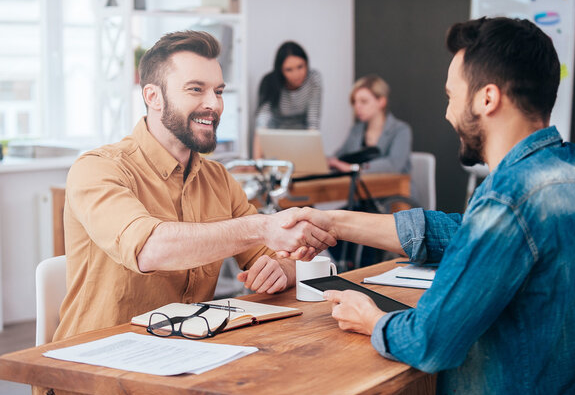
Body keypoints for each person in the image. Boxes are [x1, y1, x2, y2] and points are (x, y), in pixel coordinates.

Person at [279, 17, 575, 395]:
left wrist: (371, 318)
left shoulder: (509, 199)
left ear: (487, 98)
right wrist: (333, 222)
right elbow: (461, 233)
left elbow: (429, 342)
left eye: (451, 96)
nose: (448, 113)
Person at [53, 31, 334, 342]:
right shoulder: (97, 168)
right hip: (92, 366)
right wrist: (259, 226)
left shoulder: (219, 180)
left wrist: (281, 269)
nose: (213, 104)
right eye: (195, 89)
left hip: (187, 354)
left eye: (218, 91)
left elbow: (285, 256)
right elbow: (149, 249)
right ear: (152, 97)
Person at [328, 75, 412, 174]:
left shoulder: (400, 130)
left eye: (364, 101)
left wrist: (354, 168)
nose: (357, 107)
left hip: (395, 187)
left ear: (381, 102)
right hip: (361, 187)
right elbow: (338, 157)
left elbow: (394, 165)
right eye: (355, 102)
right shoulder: (356, 130)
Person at [253, 41, 322, 158]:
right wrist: (257, 161)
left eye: (300, 67)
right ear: (281, 70)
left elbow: (313, 123)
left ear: (307, 64)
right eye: (289, 70)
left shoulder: (314, 80)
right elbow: (262, 123)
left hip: (302, 141)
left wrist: (311, 156)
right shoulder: (269, 82)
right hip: (275, 141)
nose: (296, 74)